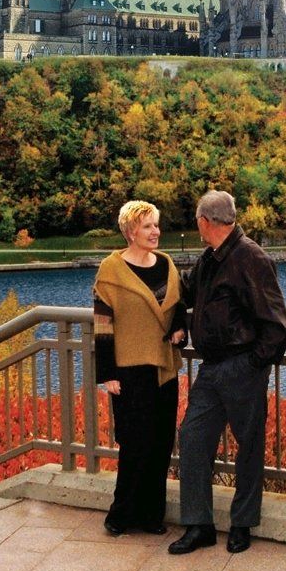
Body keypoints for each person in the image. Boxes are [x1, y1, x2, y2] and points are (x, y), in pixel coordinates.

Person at [169, 189, 286, 555]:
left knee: (248, 445)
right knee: (192, 439)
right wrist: (177, 321)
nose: (197, 228)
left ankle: (242, 524)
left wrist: (252, 364)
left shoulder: (251, 258)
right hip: (211, 370)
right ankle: (199, 525)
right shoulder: (209, 260)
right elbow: (182, 294)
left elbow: (276, 325)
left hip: (242, 369)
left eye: (197, 223)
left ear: (206, 222)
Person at [92, 200, 187, 537]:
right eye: (148, 226)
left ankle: (151, 516)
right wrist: (108, 374)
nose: (155, 232)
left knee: (161, 444)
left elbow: (177, 308)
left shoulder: (167, 264)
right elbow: (102, 325)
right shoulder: (111, 270)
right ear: (131, 231)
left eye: (156, 225)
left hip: (164, 368)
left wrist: (181, 329)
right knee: (134, 444)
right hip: (128, 370)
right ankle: (120, 515)